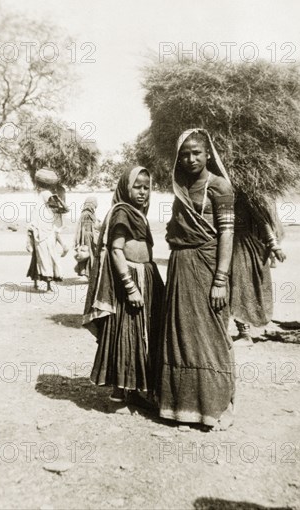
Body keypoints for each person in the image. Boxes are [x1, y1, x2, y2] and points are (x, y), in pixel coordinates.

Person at [156, 128, 235, 431]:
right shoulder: (181, 189)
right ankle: (180, 406)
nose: (190, 159)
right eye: (185, 154)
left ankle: (215, 404)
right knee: (179, 331)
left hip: (209, 266)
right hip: (180, 266)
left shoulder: (220, 187)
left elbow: (227, 233)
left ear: (208, 154)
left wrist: (221, 279)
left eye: (196, 153)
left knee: (211, 333)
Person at [83, 166, 164, 405]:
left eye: (146, 188)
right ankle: (123, 386)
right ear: (125, 188)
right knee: (128, 332)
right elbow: (116, 250)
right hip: (131, 278)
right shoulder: (121, 213)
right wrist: (130, 286)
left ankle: (135, 386)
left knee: (142, 331)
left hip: (146, 275)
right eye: (137, 187)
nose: (142, 192)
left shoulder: (139, 213)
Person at [230, 193, 286, 345]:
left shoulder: (246, 198)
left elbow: (263, 222)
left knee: (240, 287)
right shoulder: (222, 193)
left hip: (243, 246)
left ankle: (245, 334)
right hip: (227, 243)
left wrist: (274, 245)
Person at [27, 185, 69, 292]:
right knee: (39, 261)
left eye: (50, 199)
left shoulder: (51, 211)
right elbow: (31, 228)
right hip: (39, 241)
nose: (50, 200)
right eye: (48, 198)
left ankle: (48, 286)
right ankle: (37, 283)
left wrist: (57, 199)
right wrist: (29, 242)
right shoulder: (37, 212)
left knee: (50, 261)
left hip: (50, 240)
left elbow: (65, 209)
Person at [74, 196, 100, 278]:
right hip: (88, 237)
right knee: (89, 254)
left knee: (90, 254)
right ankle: (90, 273)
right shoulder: (87, 214)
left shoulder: (87, 213)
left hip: (88, 236)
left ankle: (89, 273)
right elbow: (83, 228)